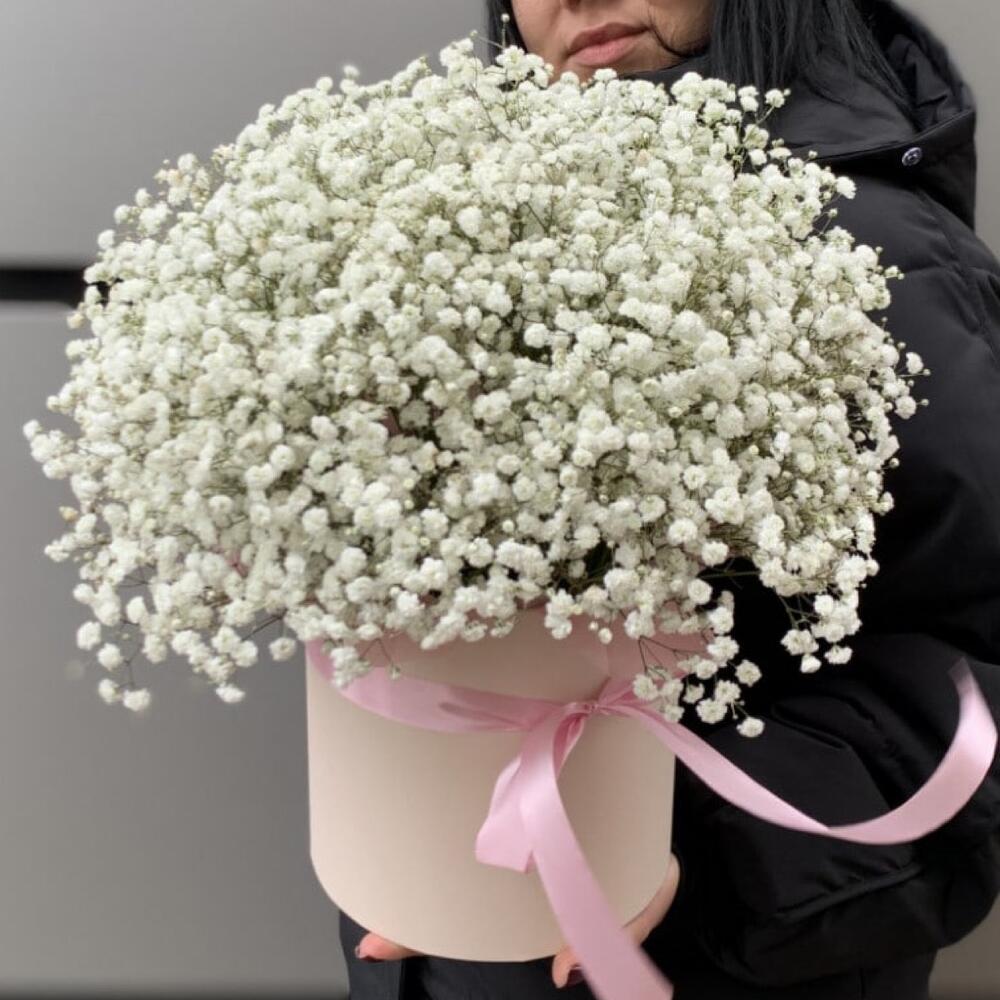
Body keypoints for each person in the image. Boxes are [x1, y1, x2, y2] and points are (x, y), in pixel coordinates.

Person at [338, 1, 1000, 996]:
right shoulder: (455, 235)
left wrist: (668, 841)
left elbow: (973, 698)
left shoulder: (866, 255)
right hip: (446, 922)